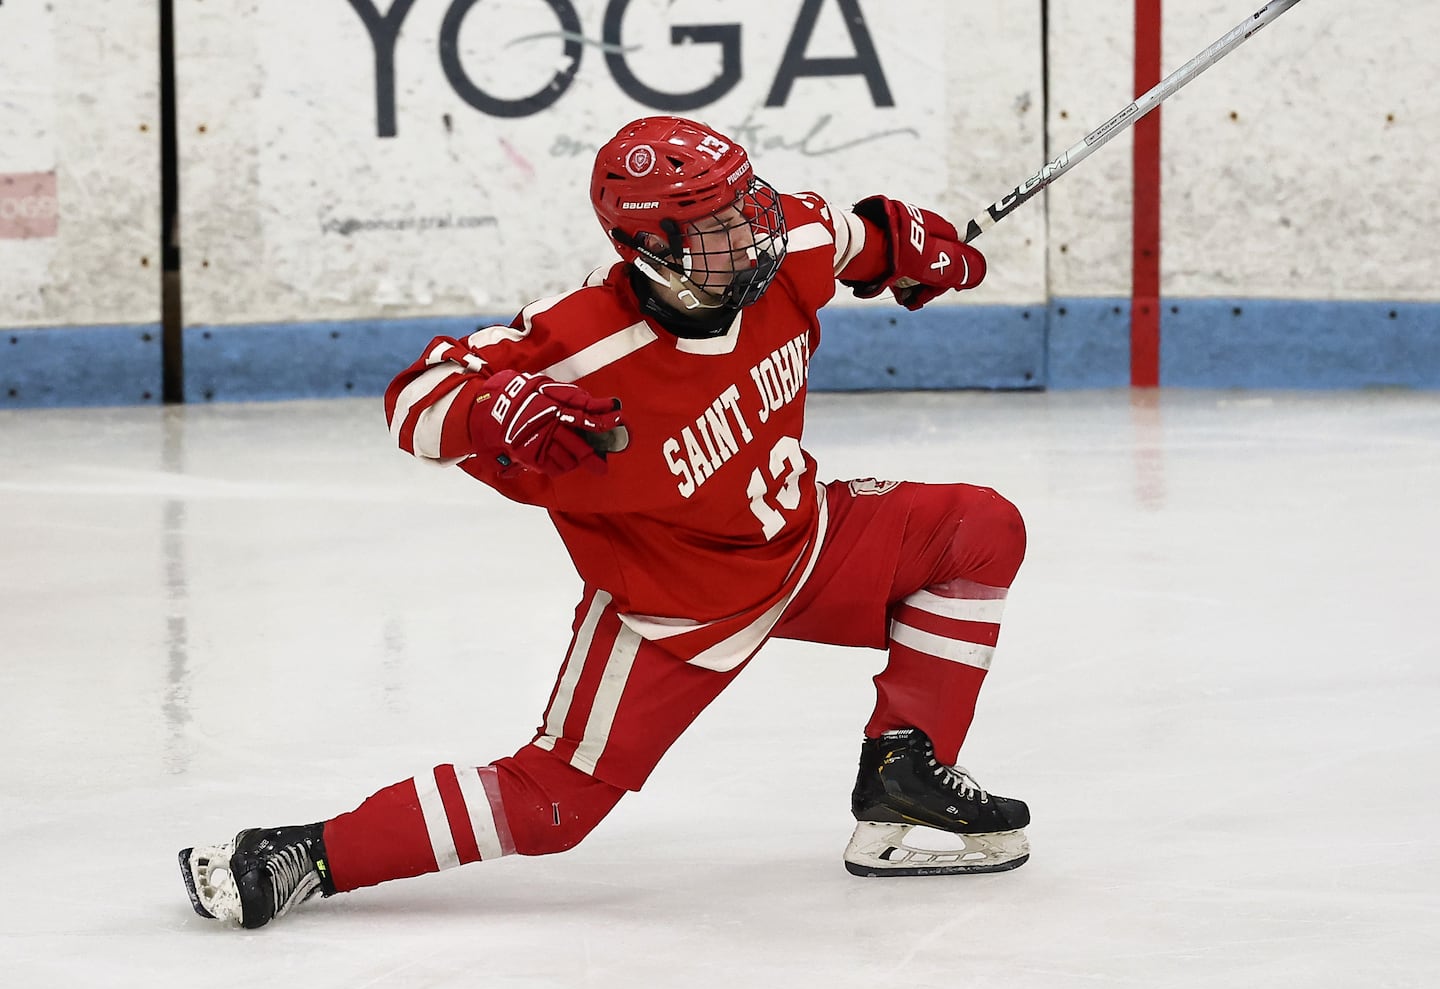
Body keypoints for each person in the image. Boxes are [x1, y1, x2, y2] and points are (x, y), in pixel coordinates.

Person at [178, 116, 1031, 930]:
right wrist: (494, 409)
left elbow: (850, 237)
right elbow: (415, 397)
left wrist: (909, 244)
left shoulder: (782, 247)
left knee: (980, 529)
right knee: (551, 807)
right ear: (650, 249)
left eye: (747, 203)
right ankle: (304, 854)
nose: (751, 232)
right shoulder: (581, 342)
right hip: (672, 612)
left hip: (806, 542)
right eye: (715, 223)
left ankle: (902, 771)